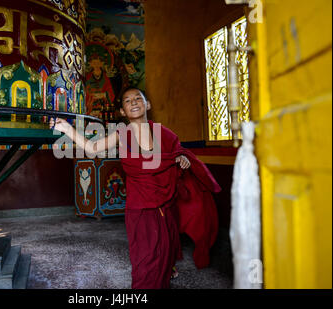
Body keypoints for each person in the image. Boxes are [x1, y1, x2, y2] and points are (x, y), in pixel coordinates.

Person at [50, 87, 220, 288]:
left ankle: (167, 270)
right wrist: (68, 130)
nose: (133, 102)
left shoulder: (162, 133)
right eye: (127, 101)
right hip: (139, 205)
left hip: (164, 204)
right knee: (144, 258)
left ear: (147, 104)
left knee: (165, 250)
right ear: (122, 111)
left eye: (138, 98)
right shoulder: (122, 134)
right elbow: (92, 148)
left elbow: (176, 154)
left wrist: (181, 158)